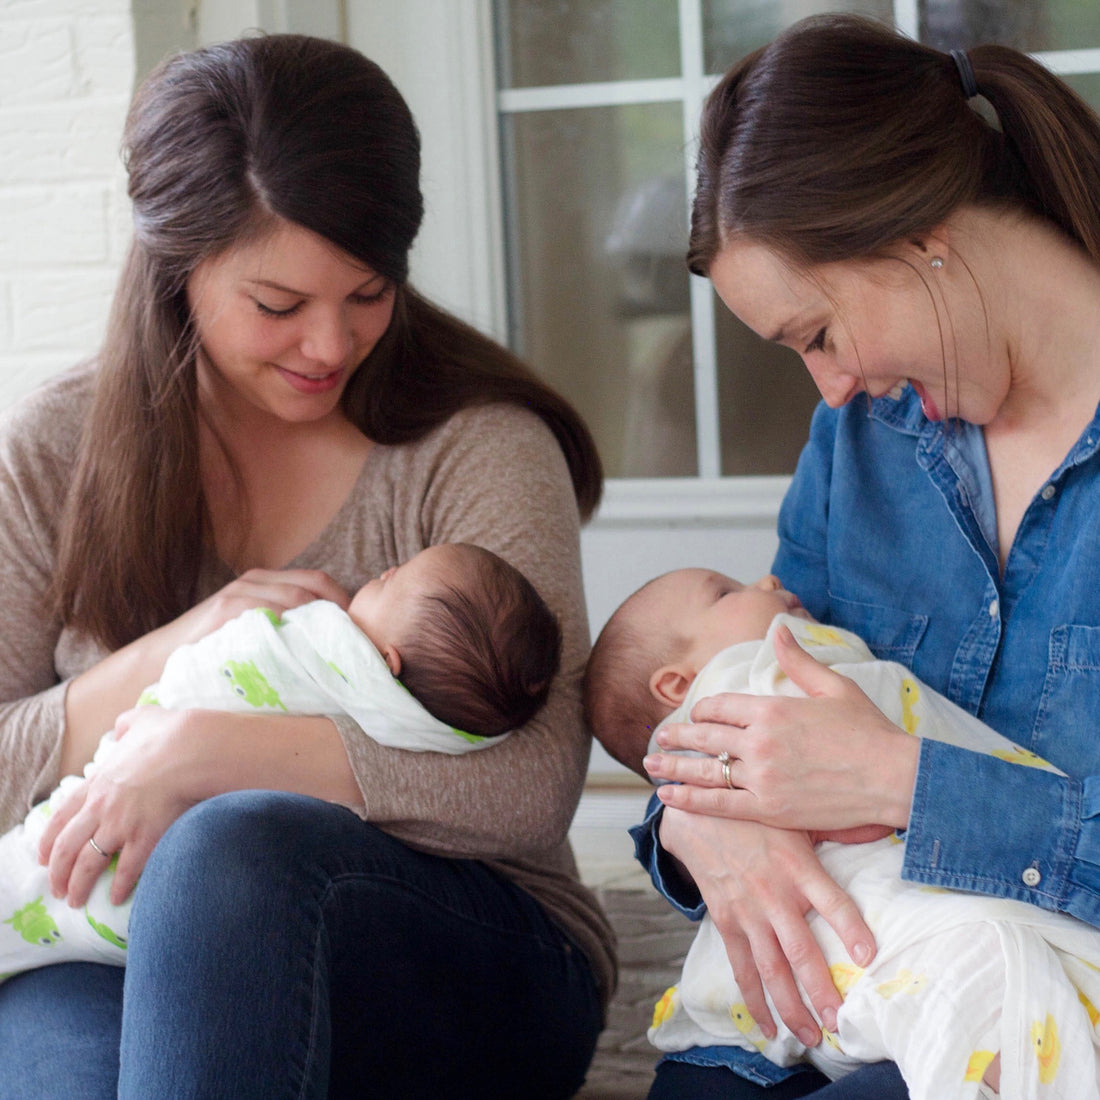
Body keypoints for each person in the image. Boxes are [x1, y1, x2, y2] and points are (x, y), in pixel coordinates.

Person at [0, 33, 615, 1099]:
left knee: (228, 845)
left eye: (368, 292)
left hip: (456, 947)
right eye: (278, 306)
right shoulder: (58, 448)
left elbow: (532, 781)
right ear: (175, 270)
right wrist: (174, 651)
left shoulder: (474, 446)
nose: (329, 344)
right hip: (106, 938)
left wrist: (215, 751)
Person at [628, 12, 1100, 1099]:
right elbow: (742, 674)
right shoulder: (863, 446)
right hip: (835, 1002)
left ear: (917, 237)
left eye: (817, 334)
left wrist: (907, 782)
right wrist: (701, 824)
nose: (828, 388)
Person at [586, 567, 1100, 1099]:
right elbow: (686, 757)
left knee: (971, 990)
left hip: (831, 995)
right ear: (678, 685)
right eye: (727, 592)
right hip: (818, 973)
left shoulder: (765, 667)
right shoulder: (747, 673)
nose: (766, 579)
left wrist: (898, 778)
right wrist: (688, 815)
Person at [2, 541, 563, 979]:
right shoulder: (46, 442)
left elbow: (538, 786)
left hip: (456, 929)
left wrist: (198, 747)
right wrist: (174, 639)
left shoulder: (323, 644)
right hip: (141, 934)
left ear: (384, 662)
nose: (381, 572)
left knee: (60, 870)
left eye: (391, 579)